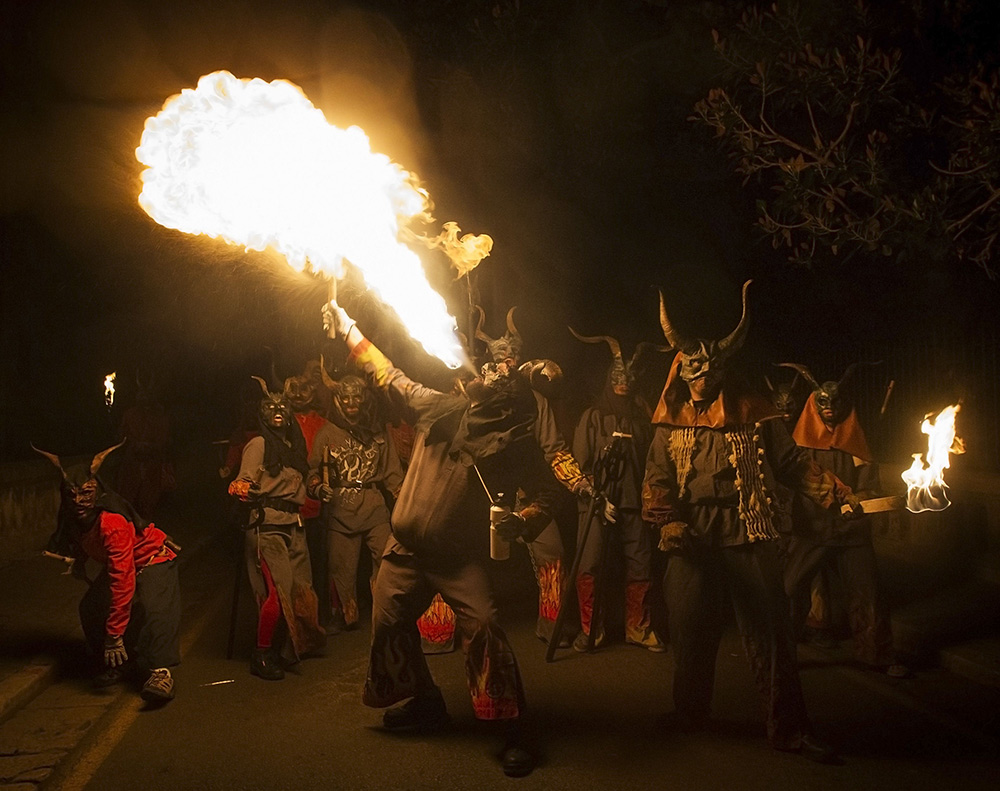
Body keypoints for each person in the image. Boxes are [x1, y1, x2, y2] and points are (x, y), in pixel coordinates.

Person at [324, 298, 560, 777]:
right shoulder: (440, 407)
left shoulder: (513, 440)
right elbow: (388, 375)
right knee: (388, 621)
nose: (482, 374)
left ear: (506, 397)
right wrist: (348, 328)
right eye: (485, 369)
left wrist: (525, 519)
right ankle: (427, 701)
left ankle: (511, 729)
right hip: (406, 551)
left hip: (458, 558)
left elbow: (546, 494)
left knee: (487, 628)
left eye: (496, 376)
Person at [642, 281, 861, 763]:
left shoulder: (756, 417)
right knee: (689, 627)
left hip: (747, 528)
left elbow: (792, 465)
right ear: (681, 371)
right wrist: (667, 523)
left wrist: (833, 493)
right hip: (691, 536)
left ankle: (789, 727)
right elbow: (657, 477)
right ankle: (690, 714)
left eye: (711, 367)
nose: (702, 375)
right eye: (693, 367)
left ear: (725, 370)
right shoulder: (670, 421)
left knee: (771, 630)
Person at [778, 362, 909, 677]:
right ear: (813, 403)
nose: (830, 408)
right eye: (822, 402)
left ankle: (877, 653)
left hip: (851, 531)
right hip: (811, 529)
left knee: (868, 592)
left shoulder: (857, 441)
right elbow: (794, 482)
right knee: (790, 588)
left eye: (835, 402)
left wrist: (864, 498)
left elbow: (868, 484)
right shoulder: (800, 445)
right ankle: (781, 655)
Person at [34, 441, 179, 704]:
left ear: (98, 491)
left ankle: (160, 672)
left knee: (155, 608)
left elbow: (122, 581)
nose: (79, 501)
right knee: (91, 607)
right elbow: (80, 539)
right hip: (122, 562)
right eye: (72, 494)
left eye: (86, 493)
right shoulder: (74, 515)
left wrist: (114, 635)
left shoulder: (111, 523)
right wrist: (78, 561)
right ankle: (118, 662)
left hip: (151, 559)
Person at [569, 328, 666, 652]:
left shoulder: (643, 418)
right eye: (618, 373)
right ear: (610, 377)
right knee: (590, 566)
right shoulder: (593, 417)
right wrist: (595, 495)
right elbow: (579, 465)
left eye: (630, 374)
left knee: (641, 565)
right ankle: (591, 631)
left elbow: (656, 462)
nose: (624, 379)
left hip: (633, 504)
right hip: (598, 504)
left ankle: (638, 630)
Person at [228, 377, 325, 681]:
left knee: (300, 591)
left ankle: (289, 649)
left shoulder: (294, 446)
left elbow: (303, 479)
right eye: (270, 407)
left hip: (294, 526)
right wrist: (243, 489)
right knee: (278, 591)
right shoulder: (259, 445)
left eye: (282, 406)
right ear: (263, 414)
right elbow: (240, 483)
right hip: (266, 526)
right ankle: (262, 653)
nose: (277, 410)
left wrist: (318, 487)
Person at [306, 373, 403, 632]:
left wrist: (402, 496)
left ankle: (387, 609)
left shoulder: (378, 431)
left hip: (373, 504)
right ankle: (344, 613)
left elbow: (392, 470)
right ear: (337, 400)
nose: (350, 402)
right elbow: (312, 471)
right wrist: (317, 488)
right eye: (345, 397)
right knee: (341, 567)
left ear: (364, 399)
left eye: (356, 397)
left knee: (389, 558)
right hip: (341, 508)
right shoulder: (327, 433)